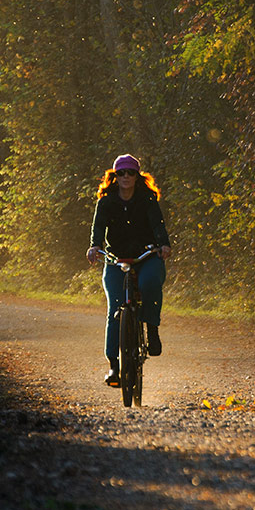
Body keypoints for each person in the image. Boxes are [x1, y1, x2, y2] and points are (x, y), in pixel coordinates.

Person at [86, 154, 171, 388]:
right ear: (115, 176)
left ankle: (151, 329)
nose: (125, 177)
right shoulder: (106, 201)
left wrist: (164, 245)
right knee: (115, 307)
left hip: (146, 255)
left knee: (150, 283)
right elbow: (98, 227)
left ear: (137, 176)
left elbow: (158, 225)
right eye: (121, 173)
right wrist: (95, 246)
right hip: (116, 258)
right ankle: (114, 366)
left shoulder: (147, 199)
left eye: (130, 173)